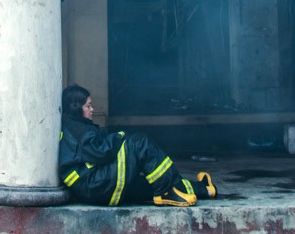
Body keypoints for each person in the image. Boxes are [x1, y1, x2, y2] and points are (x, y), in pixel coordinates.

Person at [58, 84, 217, 207]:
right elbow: (103, 152)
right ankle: (167, 193)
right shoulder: (80, 130)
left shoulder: (72, 125)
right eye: (88, 106)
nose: (92, 110)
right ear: (76, 108)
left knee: (150, 183)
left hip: (94, 187)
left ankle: (204, 189)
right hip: (96, 186)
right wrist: (121, 136)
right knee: (140, 143)